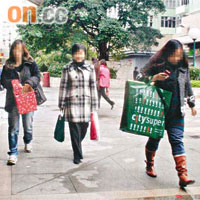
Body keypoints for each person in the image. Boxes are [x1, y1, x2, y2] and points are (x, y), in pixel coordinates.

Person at [137, 39, 197, 189]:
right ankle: (149, 165)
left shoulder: (183, 66)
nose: (176, 59)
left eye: (178, 55)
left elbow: (188, 85)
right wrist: (154, 78)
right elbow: (138, 77)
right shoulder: (156, 64)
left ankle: (182, 175)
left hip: (177, 111)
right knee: (154, 139)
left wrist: (192, 104)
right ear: (167, 53)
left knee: (177, 140)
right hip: (158, 110)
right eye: (173, 56)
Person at [1, 40, 41, 165]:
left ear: (23, 50)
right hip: (13, 100)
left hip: (27, 98)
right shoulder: (7, 66)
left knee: (28, 125)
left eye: (19, 49)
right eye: (14, 49)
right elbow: (3, 81)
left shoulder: (30, 63)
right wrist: (13, 84)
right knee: (13, 128)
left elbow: (37, 76)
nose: (16, 52)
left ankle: (28, 140)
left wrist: (29, 82)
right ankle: (13, 153)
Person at [59, 43, 98, 165]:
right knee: (74, 128)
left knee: (84, 127)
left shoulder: (90, 68)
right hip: (72, 102)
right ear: (73, 54)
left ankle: (77, 144)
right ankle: (77, 154)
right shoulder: (67, 68)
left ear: (84, 54)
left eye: (80, 53)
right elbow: (63, 86)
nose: (78, 56)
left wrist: (95, 105)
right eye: (76, 53)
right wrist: (61, 102)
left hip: (86, 102)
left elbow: (93, 86)